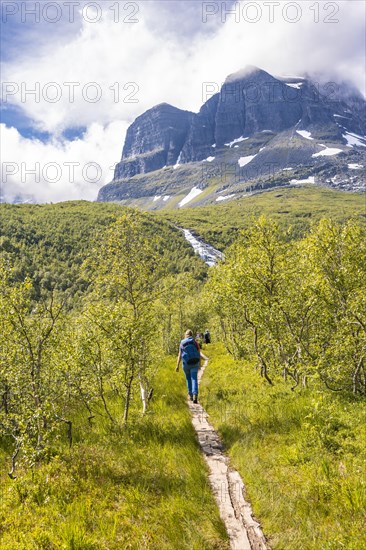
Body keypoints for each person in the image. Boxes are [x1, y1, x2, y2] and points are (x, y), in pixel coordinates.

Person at [176, 329, 202, 404]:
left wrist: (177, 365)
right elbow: (199, 353)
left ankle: (190, 395)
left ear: (185, 335)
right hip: (195, 363)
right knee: (194, 379)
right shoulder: (195, 342)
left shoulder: (182, 343)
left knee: (188, 379)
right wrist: (199, 364)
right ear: (191, 335)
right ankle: (195, 395)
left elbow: (179, 355)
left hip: (186, 364)